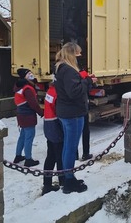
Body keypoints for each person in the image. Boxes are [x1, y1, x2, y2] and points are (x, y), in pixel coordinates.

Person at [54, 42, 97, 194]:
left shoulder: (60, 67)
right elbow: (75, 92)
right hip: (73, 113)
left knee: (68, 146)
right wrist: (88, 81)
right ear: (72, 54)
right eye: (78, 53)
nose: (80, 56)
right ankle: (69, 180)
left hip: (65, 111)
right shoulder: (69, 70)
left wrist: (85, 81)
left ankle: (67, 176)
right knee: (71, 148)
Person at [13, 68, 44, 167]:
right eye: (28, 73)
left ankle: (18, 156)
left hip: (21, 114)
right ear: (24, 77)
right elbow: (33, 103)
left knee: (22, 136)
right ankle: (28, 159)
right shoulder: (27, 88)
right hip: (28, 115)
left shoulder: (19, 86)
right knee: (29, 137)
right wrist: (40, 112)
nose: (31, 74)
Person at [42, 80, 63, 196]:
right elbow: (59, 110)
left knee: (51, 156)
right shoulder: (57, 92)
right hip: (55, 125)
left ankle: (47, 184)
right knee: (60, 156)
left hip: (48, 124)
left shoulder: (50, 90)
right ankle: (63, 181)